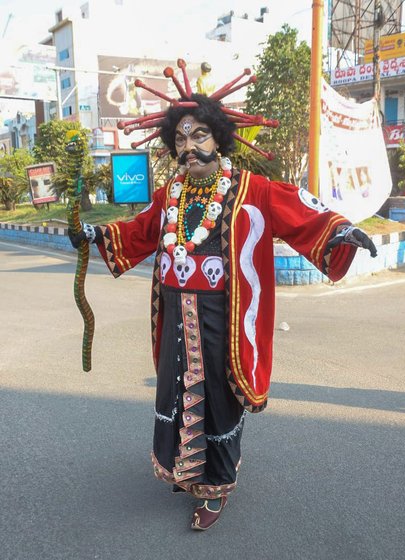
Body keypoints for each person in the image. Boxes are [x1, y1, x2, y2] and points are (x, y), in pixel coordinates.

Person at [69, 90, 377, 531]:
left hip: (224, 320)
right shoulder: (169, 194)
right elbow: (137, 233)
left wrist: (340, 232)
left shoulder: (254, 190)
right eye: (179, 137)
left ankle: (216, 486)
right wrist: (95, 233)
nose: (188, 146)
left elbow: (302, 213)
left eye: (200, 134)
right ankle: (188, 470)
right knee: (176, 390)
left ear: (221, 138)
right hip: (175, 314)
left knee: (218, 396)